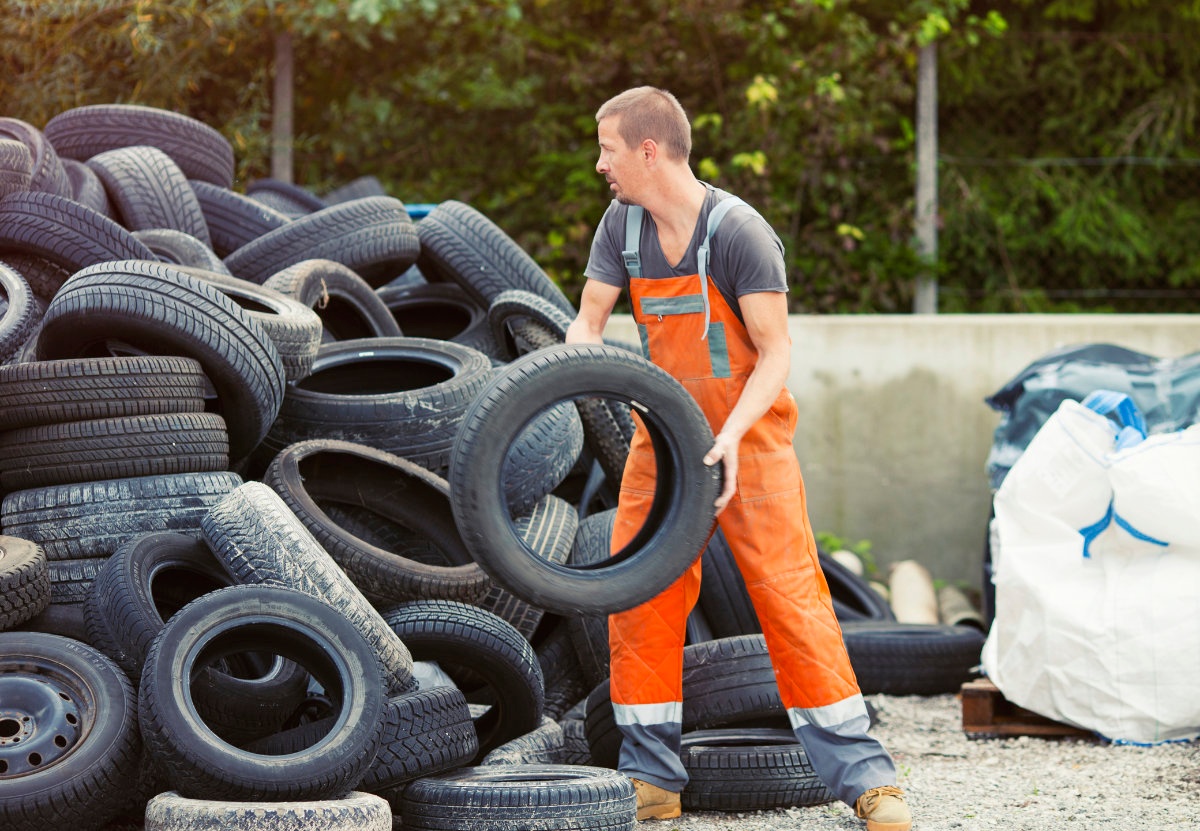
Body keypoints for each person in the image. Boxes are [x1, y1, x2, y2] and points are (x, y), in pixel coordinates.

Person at [565, 86, 912, 831]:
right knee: (639, 597)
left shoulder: (738, 232)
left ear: (649, 150)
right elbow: (587, 324)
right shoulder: (621, 227)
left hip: (748, 444)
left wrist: (728, 436)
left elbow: (777, 351)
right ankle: (652, 779)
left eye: (608, 148)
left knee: (791, 600)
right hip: (663, 448)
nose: (601, 164)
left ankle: (866, 780)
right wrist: (562, 379)